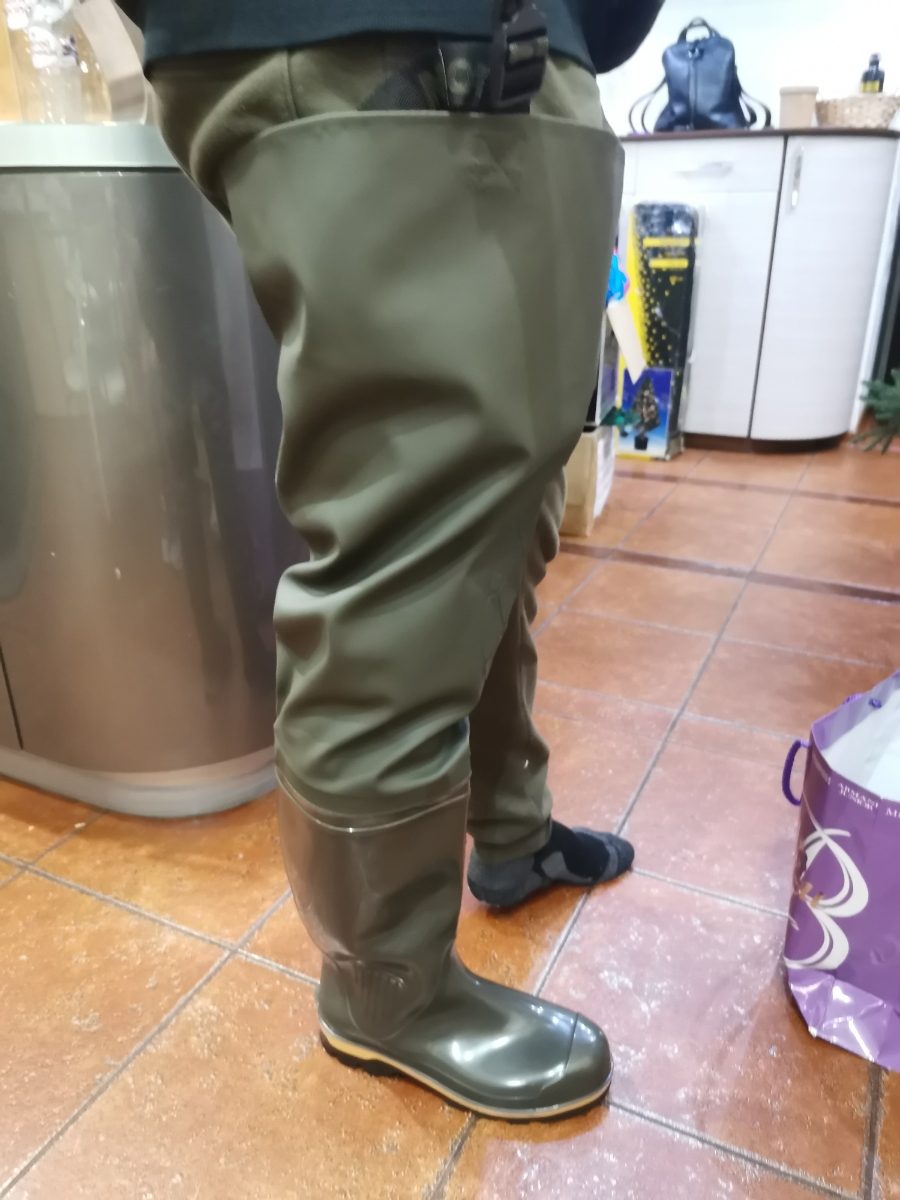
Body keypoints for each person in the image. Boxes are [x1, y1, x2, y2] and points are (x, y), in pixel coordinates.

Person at [118, 0, 663, 1120]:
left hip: (493, 52)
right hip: (389, 46)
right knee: (414, 536)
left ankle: (510, 829)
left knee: (499, 507)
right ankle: (386, 989)